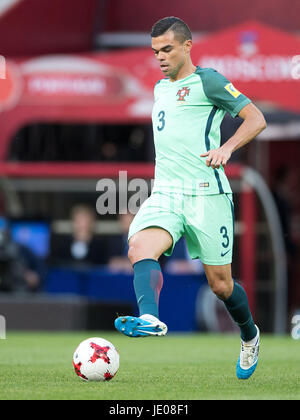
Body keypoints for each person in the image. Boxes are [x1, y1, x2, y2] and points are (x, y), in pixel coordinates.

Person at [114, 17, 266, 380]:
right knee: (139, 247)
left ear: (186, 46)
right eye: (155, 52)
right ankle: (150, 317)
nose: (161, 57)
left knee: (221, 285)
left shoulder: (208, 80)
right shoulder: (159, 88)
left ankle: (249, 334)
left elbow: (255, 118)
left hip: (206, 195)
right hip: (166, 193)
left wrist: (227, 148)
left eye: (167, 49)